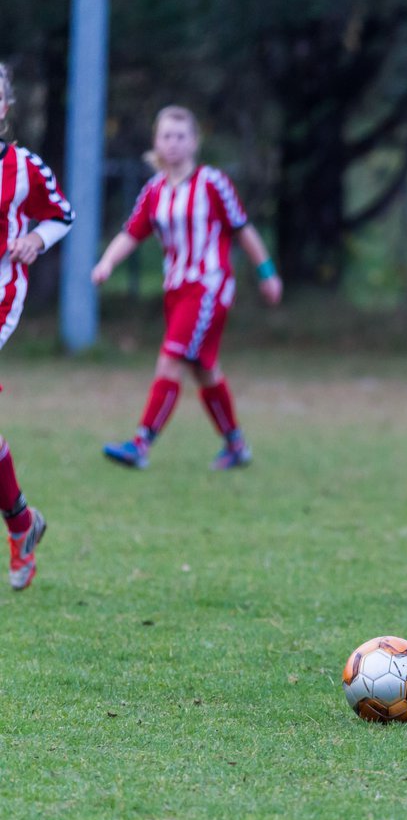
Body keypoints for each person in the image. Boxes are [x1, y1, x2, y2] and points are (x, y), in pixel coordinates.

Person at [92, 106, 282, 471]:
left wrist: (267, 272)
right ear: (156, 142)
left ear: (195, 142)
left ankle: (140, 444)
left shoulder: (212, 183)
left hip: (208, 287)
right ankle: (236, 445)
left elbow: (243, 230)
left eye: (181, 136)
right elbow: (132, 233)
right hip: (176, 290)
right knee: (204, 369)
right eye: (166, 136)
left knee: (171, 359)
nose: (174, 143)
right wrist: (107, 263)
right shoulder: (155, 190)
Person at [0, 62, 74, 590]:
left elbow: (60, 214)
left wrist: (36, 240)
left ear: (3, 108)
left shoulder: (24, 167)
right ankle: (23, 523)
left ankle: (22, 525)